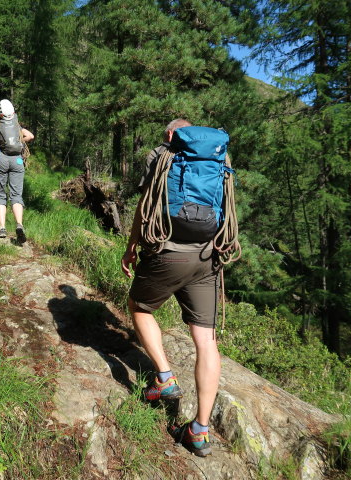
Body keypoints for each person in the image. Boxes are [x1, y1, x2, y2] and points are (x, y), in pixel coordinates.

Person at [121, 118, 222, 458]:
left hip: (169, 250)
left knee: (139, 306)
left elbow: (144, 205)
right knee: (206, 341)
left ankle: (164, 378)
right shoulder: (217, 160)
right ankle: (199, 430)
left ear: (171, 134)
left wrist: (132, 245)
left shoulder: (162, 155)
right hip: (208, 255)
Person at [0, 99, 34, 242]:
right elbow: (30, 136)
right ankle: (19, 225)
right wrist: (17, 142)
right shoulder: (16, 125)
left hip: (0, 160)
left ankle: (2, 228)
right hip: (17, 161)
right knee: (16, 195)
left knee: (0, 194)